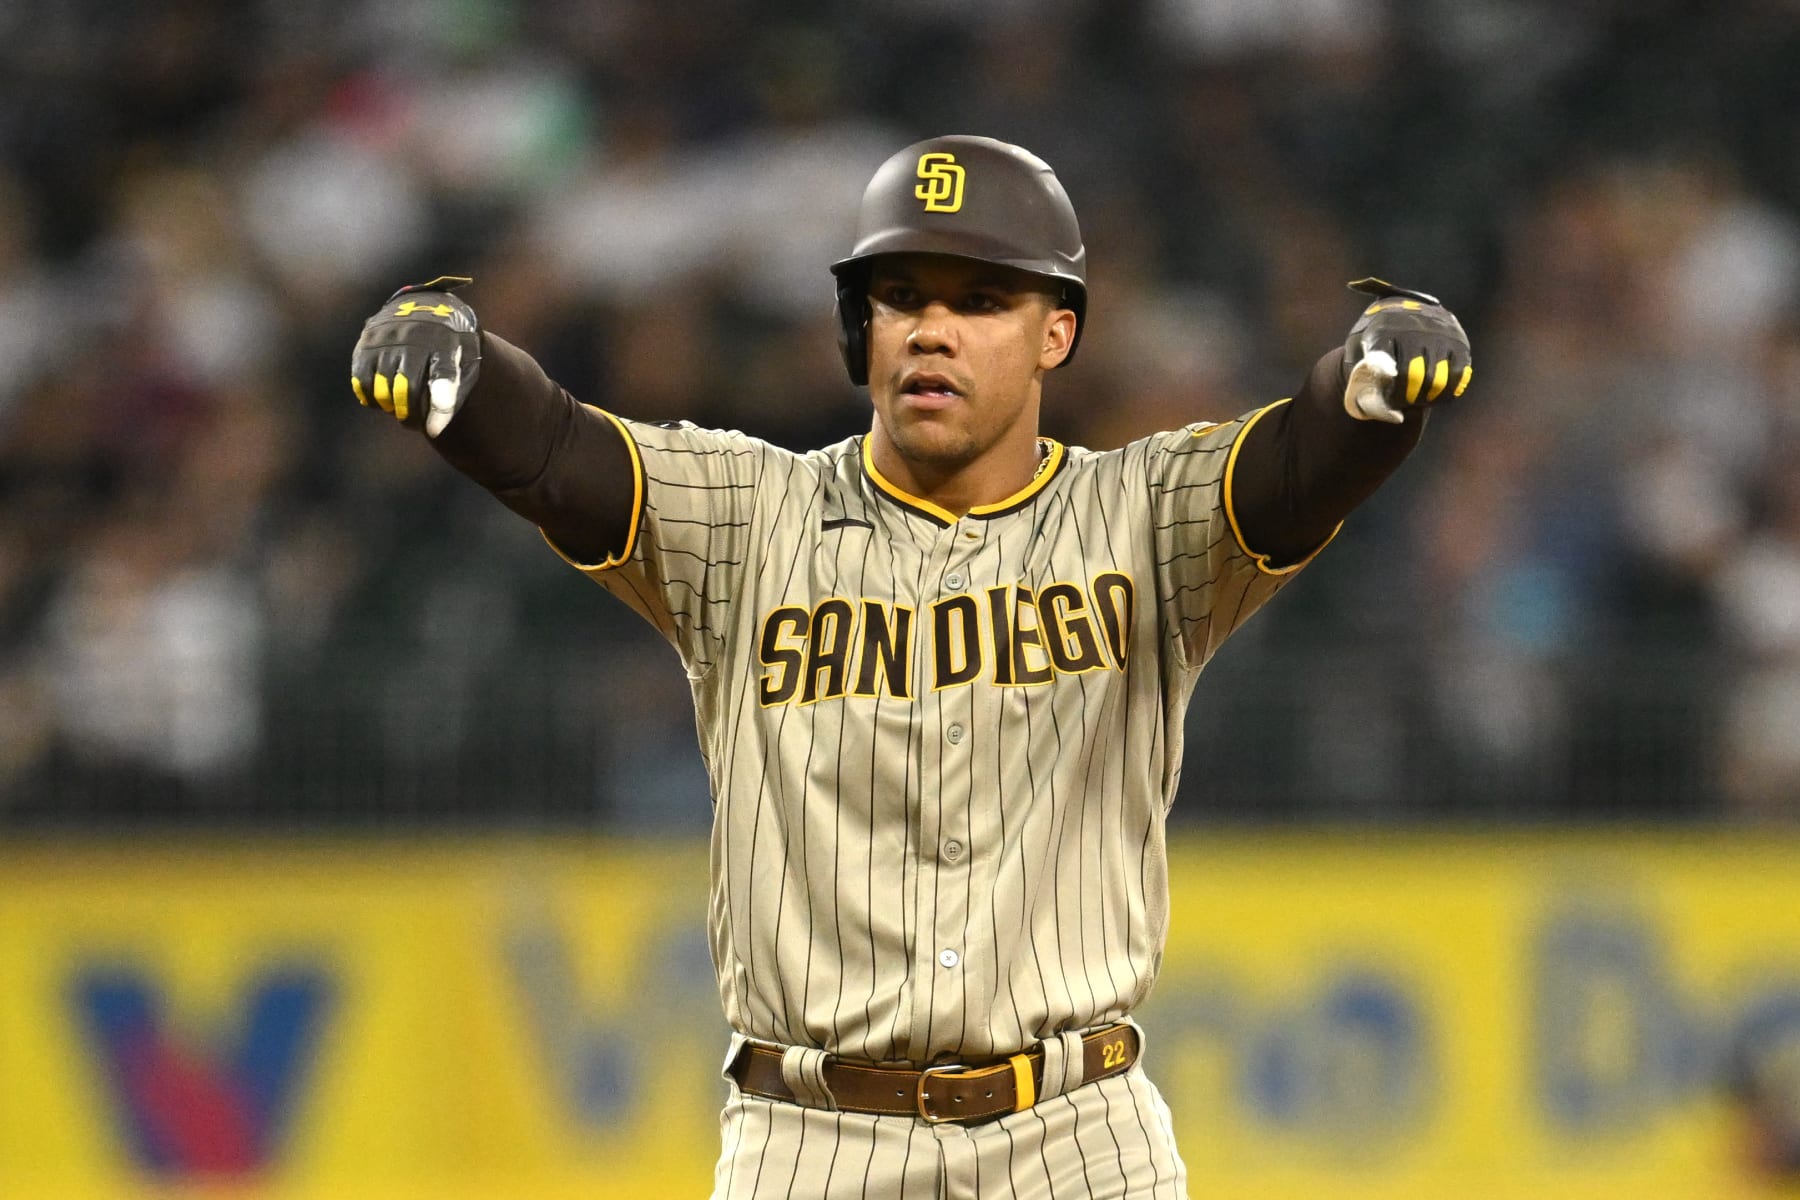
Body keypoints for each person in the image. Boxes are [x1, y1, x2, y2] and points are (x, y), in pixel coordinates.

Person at [350, 134, 1471, 1199]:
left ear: (1056, 335)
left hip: (1077, 1139)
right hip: (811, 1138)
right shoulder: (750, 517)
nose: (931, 330)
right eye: (902, 299)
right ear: (859, 331)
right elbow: (559, 455)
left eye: (981, 301)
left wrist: (1373, 386)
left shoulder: (1140, 517)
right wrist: (460, 360)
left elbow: (1296, 464)